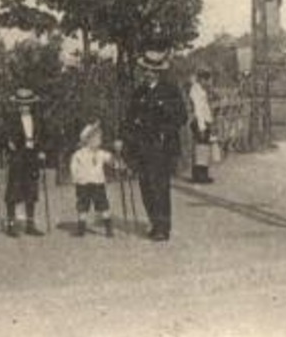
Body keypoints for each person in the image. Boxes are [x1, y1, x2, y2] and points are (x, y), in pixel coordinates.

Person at [124, 51, 187, 241]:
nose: (148, 73)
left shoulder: (170, 91)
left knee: (160, 186)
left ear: (159, 72)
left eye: (152, 70)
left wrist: (165, 130)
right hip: (142, 146)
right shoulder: (139, 92)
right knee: (145, 186)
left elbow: (181, 117)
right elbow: (129, 118)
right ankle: (154, 222)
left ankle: (163, 227)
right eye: (146, 70)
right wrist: (124, 139)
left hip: (161, 146)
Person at [2, 87, 48, 236]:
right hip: (18, 156)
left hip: (32, 156)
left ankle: (30, 225)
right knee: (14, 191)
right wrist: (8, 143)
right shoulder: (11, 119)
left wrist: (41, 150)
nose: (24, 107)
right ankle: (10, 225)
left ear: (31, 105)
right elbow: (4, 135)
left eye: (27, 104)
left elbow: (42, 136)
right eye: (21, 104)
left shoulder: (37, 119)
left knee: (31, 190)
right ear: (17, 105)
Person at [70, 122, 117, 238]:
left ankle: (108, 229)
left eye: (100, 138)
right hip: (83, 184)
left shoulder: (101, 153)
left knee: (103, 205)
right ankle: (81, 228)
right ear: (88, 140)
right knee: (82, 206)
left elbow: (111, 160)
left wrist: (116, 162)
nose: (99, 141)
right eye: (97, 138)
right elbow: (73, 166)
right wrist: (76, 177)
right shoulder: (79, 154)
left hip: (98, 183)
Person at [188, 69, 216, 184]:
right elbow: (198, 110)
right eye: (207, 80)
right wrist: (202, 127)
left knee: (203, 149)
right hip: (200, 122)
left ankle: (203, 174)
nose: (208, 83)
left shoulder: (201, 90)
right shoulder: (195, 90)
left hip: (204, 121)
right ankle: (199, 176)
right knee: (200, 149)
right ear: (202, 79)